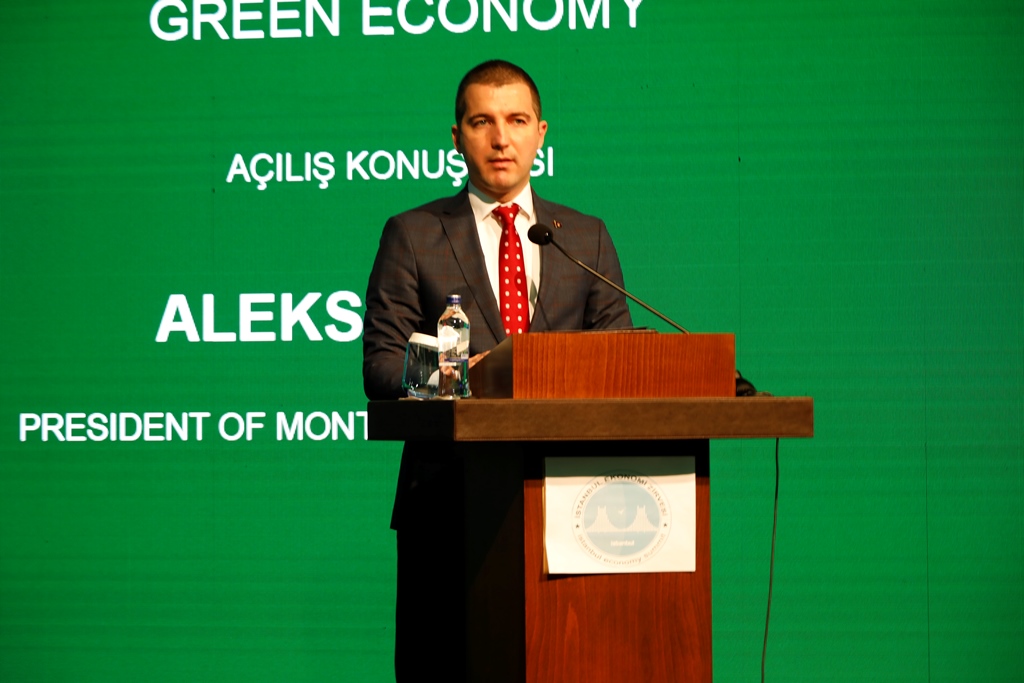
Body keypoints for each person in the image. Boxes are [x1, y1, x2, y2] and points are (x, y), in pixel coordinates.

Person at [361, 59, 633, 679]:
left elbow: (617, 359)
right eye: (482, 122)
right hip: (449, 507)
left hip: (575, 504)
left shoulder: (583, 238)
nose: (501, 138)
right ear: (457, 136)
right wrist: (464, 374)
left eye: (516, 120)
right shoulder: (414, 234)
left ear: (541, 132)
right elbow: (382, 365)